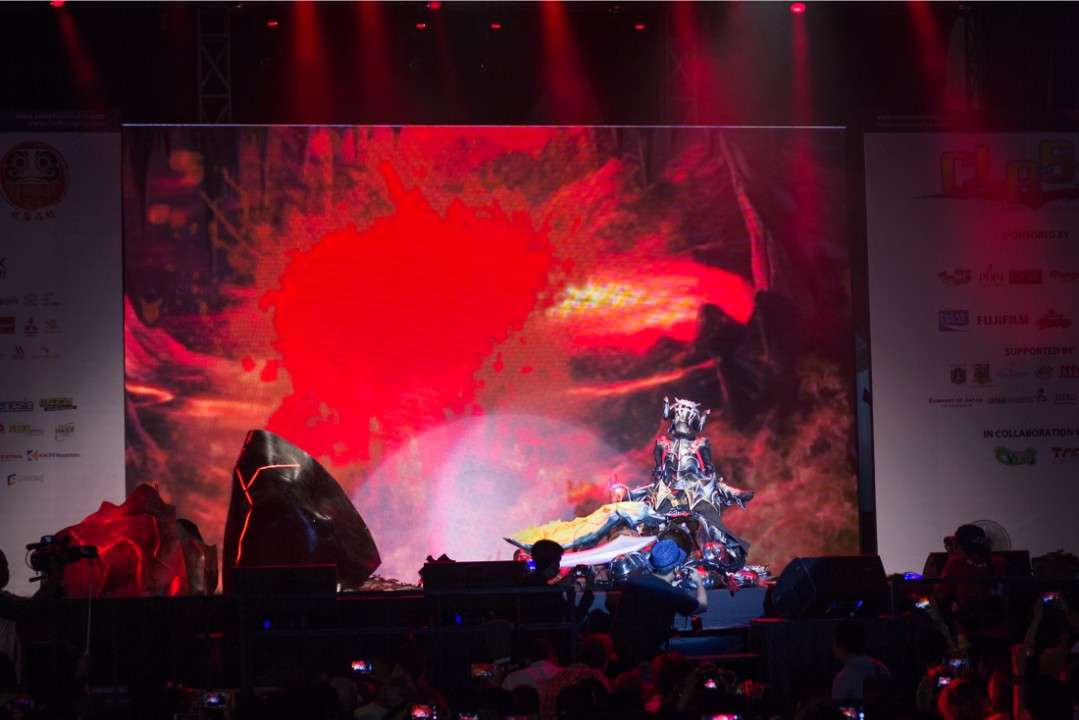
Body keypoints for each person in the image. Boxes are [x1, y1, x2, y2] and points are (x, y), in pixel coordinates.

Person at [611, 539, 707, 667]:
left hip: (620, 648)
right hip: (646, 657)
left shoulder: (634, 578)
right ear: (676, 568)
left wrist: (670, 586)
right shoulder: (672, 593)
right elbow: (702, 606)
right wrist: (699, 582)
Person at [831, 619, 890, 701]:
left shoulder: (843, 679)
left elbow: (838, 708)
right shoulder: (882, 668)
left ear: (840, 647)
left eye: (834, 643)